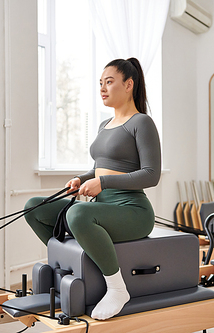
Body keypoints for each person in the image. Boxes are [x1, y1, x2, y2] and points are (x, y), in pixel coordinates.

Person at [24, 58, 161, 320]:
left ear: (129, 85)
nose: (102, 88)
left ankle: (117, 289)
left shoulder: (141, 123)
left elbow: (151, 175)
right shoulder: (104, 125)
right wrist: (80, 178)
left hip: (132, 211)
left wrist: (103, 183)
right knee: (33, 207)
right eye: (100, 83)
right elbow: (99, 168)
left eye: (109, 82)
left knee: (76, 215)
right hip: (101, 207)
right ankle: (67, 269)